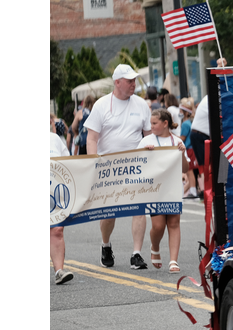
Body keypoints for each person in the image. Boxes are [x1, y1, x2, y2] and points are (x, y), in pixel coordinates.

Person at [84, 64, 152, 270]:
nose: (133, 84)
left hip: (136, 166)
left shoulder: (141, 105)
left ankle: (136, 253)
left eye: (134, 80)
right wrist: (93, 162)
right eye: (129, 81)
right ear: (117, 83)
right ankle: (106, 245)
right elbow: (92, 137)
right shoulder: (102, 105)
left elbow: (149, 136)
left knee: (139, 209)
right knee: (109, 213)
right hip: (109, 168)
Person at [138, 109, 190, 273]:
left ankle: (173, 260)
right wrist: (147, 154)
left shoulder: (176, 141)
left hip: (173, 187)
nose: (151, 126)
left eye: (154, 123)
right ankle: (155, 246)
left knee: (174, 223)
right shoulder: (146, 140)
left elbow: (185, 168)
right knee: (158, 226)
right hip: (155, 188)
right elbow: (137, 165)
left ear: (165, 123)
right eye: (151, 123)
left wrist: (182, 153)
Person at [50, 131, 74, 284]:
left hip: (55, 190)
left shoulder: (54, 138)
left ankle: (59, 271)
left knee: (57, 230)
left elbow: (68, 161)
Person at [178, 97, 198, 199]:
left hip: (189, 148)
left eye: (181, 110)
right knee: (190, 171)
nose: (179, 112)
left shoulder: (186, 124)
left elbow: (182, 137)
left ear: (185, 112)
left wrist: (171, 136)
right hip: (191, 148)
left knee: (189, 171)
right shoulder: (188, 122)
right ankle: (192, 189)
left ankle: (193, 190)